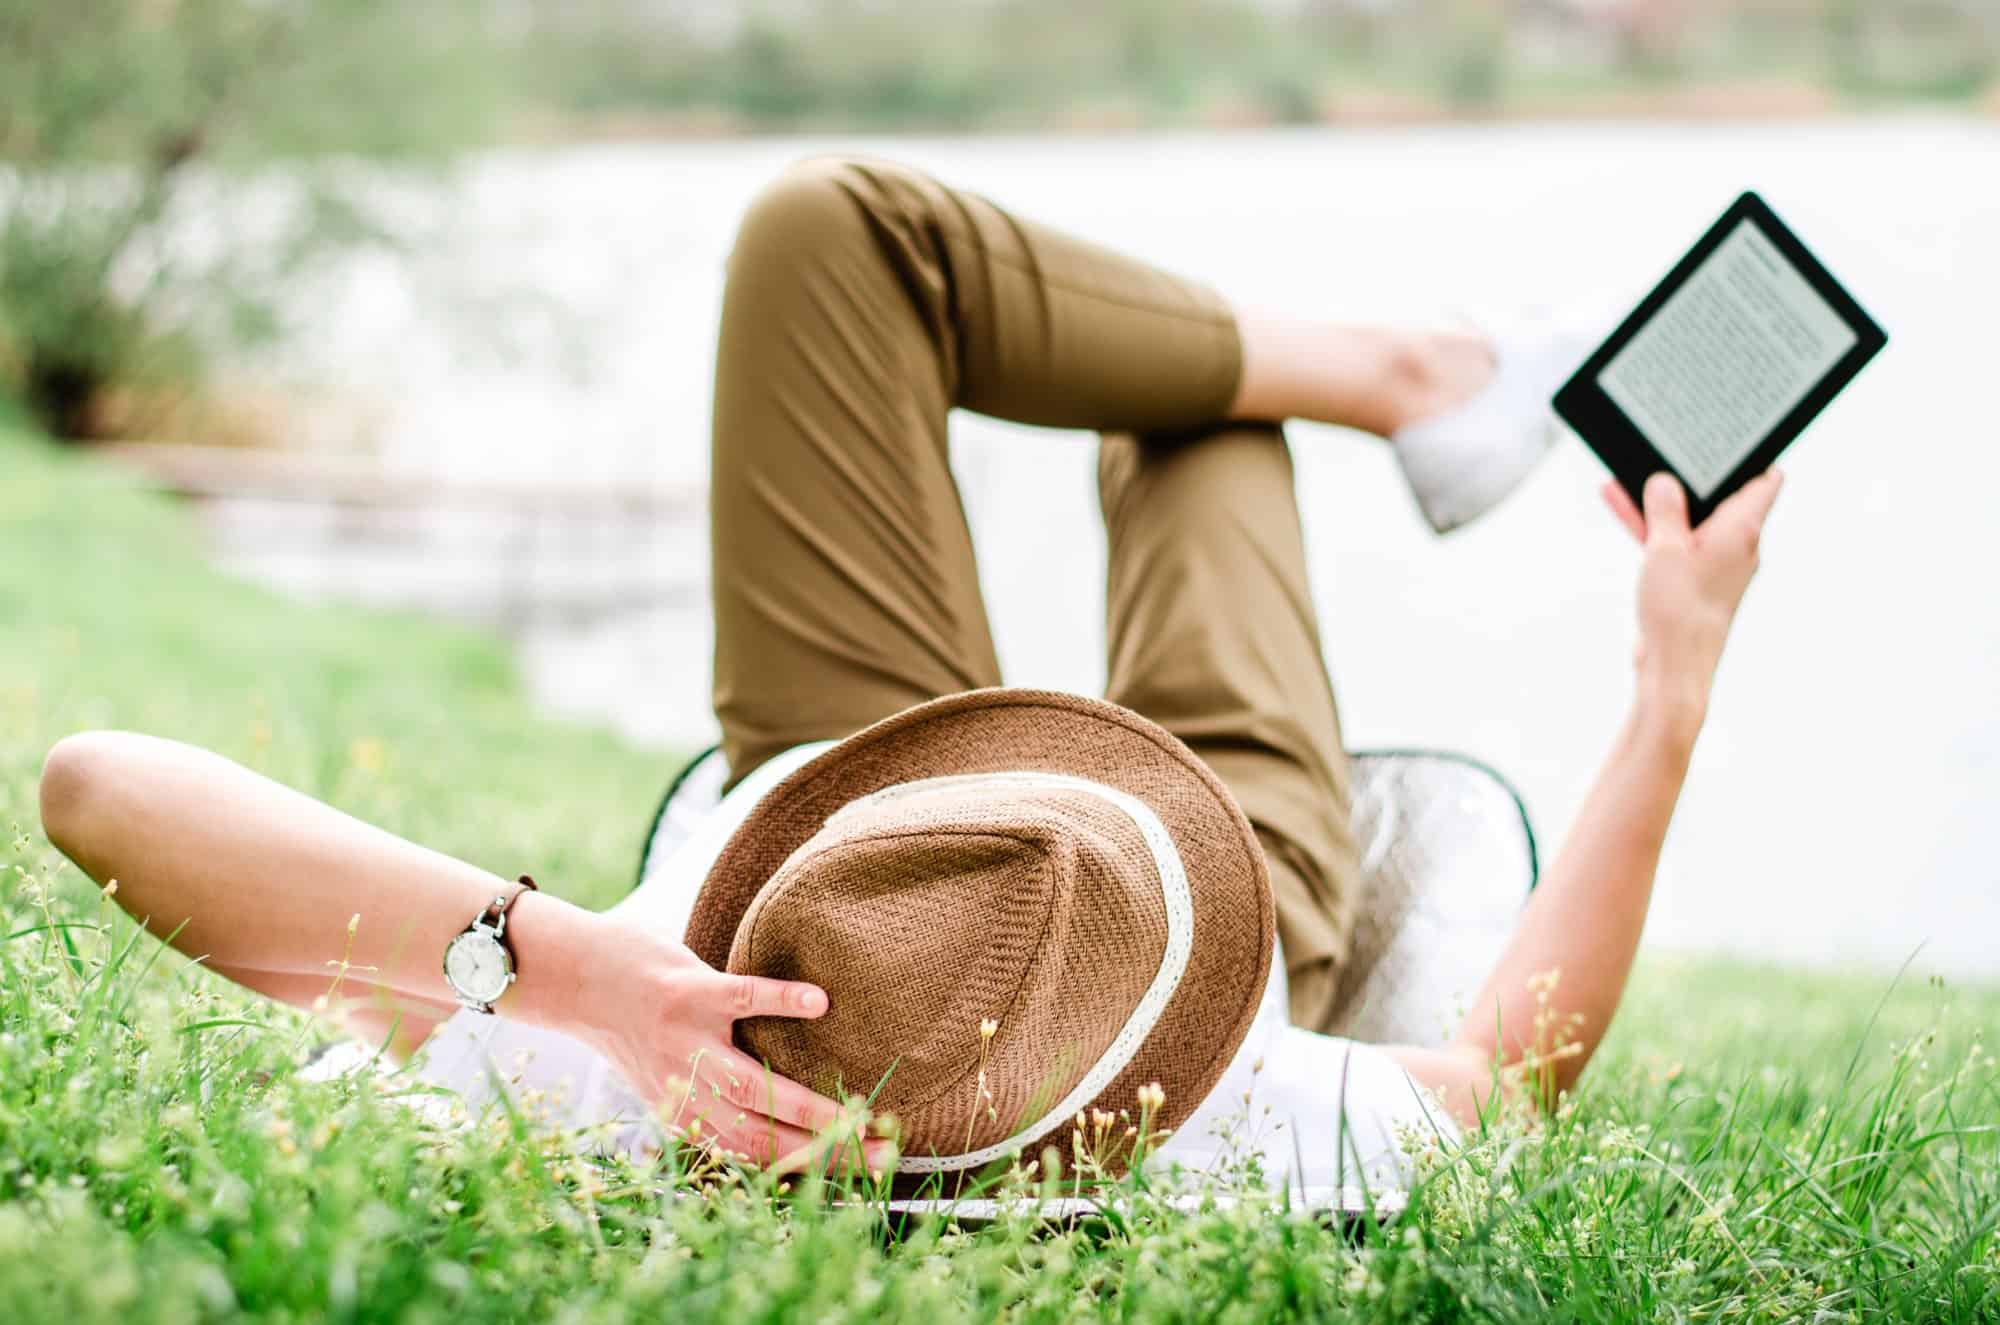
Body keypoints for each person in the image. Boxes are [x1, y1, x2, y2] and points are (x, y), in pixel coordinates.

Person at [36, 157, 1782, 1192]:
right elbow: (1503, 1081)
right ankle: (1411, 368)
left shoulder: (623, 1066)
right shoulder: (1224, 1106)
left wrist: (601, 983)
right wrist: (1675, 680)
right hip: (1205, 885)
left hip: (832, 809)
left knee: (826, 232)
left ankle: (1404, 370)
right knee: (1201, 431)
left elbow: (99, 787)